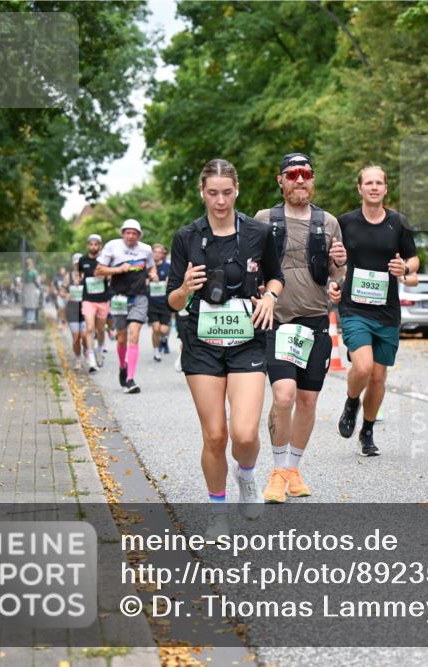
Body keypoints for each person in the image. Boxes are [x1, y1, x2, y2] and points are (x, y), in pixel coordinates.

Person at [167, 158, 284, 538]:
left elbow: (276, 277)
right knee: (215, 436)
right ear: (202, 192)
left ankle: (246, 476)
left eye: (227, 193)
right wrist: (185, 288)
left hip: (247, 339)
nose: (220, 201)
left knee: (245, 434)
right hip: (201, 343)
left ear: (237, 191)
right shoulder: (186, 237)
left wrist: (270, 298)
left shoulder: (258, 233)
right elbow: (173, 301)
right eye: (213, 193)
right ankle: (217, 511)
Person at [253, 152, 347, 503]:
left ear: (313, 179)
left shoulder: (328, 222)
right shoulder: (265, 219)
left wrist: (340, 273)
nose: (300, 180)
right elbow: (251, 265)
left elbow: (336, 275)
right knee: (284, 395)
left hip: (315, 320)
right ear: (280, 180)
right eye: (292, 174)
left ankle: (293, 468)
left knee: (307, 400)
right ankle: (278, 471)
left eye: (305, 173)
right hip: (277, 319)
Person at [335, 165, 419, 456]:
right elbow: (334, 260)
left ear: (385, 188)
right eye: (368, 183)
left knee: (379, 377)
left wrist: (404, 267)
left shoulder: (398, 223)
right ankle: (351, 402)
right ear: (359, 188)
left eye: (378, 183)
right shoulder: (345, 222)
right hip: (354, 308)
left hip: (386, 311)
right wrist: (334, 280)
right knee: (363, 367)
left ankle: (367, 431)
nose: (373, 187)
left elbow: (413, 259)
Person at [96, 219, 158, 394]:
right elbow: (99, 270)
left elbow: (151, 268)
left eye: (134, 233)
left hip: (139, 296)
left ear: (139, 235)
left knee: (134, 334)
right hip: (118, 296)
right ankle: (123, 366)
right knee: (121, 338)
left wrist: (153, 275)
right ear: (123, 233)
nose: (130, 236)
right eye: (128, 232)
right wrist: (118, 269)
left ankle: (130, 379)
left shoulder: (146, 249)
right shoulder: (112, 246)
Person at [79, 234, 109, 372]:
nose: (93, 246)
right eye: (91, 244)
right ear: (87, 246)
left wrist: (106, 276)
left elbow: (110, 275)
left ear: (100, 246)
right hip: (88, 299)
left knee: (100, 329)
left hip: (103, 299)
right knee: (90, 328)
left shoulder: (104, 260)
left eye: (96, 244)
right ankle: (91, 358)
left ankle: (100, 349)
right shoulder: (82, 260)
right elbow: (79, 275)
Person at [148, 243, 173, 362]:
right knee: (156, 328)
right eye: (155, 252)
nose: (157, 254)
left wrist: (169, 281)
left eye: (159, 252)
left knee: (163, 330)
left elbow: (173, 280)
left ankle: (164, 339)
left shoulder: (168, 267)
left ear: (163, 254)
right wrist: (149, 279)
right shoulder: (147, 267)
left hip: (164, 302)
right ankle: (156, 351)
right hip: (152, 302)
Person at [66, 253, 89, 369]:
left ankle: (86, 350)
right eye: (76, 263)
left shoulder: (87, 275)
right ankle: (78, 358)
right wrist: (66, 295)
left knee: (84, 335)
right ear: (73, 264)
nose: (77, 265)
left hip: (85, 309)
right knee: (76, 337)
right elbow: (61, 291)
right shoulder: (68, 276)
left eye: (79, 263)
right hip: (72, 310)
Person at [22, 257, 41, 326]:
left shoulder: (25, 272)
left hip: (26, 289)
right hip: (33, 288)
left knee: (27, 305)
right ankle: (31, 319)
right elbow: (37, 281)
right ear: (31, 264)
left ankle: (27, 319)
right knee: (33, 305)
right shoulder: (34, 272)